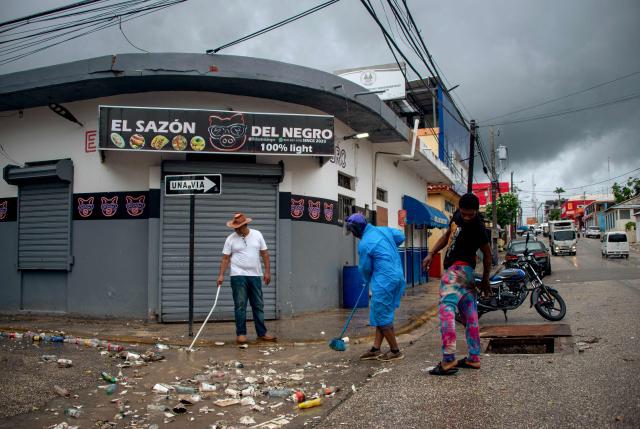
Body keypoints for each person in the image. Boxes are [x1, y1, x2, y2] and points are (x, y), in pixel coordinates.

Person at [422, 193, 492, 375]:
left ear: (476, 211)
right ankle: (473, 358)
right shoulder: (456, 216)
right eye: (465, 213)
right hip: (465, 275)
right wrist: (431, 253)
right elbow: (447, 236)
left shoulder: (478, 227)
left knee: (446, 310)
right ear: (459, 209)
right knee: (470, 315)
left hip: (458, 272)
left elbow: (488, 254)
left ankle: (448, 359)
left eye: (471, 214)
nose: (468, 217)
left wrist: (485, 279)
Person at [345, 213, 407, 362]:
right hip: (397, 276)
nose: (353, 234)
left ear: (357, 230)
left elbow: (365, 268)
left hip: (384, 280)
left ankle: (395, 351)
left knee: (382, 316)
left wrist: (367, 280)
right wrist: (387, 247)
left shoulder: (365, 243)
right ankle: (376, 349)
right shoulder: (383, 230)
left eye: (353, 231)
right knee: (382, 313)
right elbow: (400, 237)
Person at [217, 212, 276, 344]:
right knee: (240, 305)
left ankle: (262, 333)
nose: (236, 230)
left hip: (255, 275)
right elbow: (225, 258)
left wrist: (267, 271)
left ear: (245, 225)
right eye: (235, 228)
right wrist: (221, 275)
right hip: (238, 276)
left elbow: (265, 254)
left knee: (258, 305)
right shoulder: (230, 239)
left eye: (238, 228)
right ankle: (241, 334)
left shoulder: (257, 235)